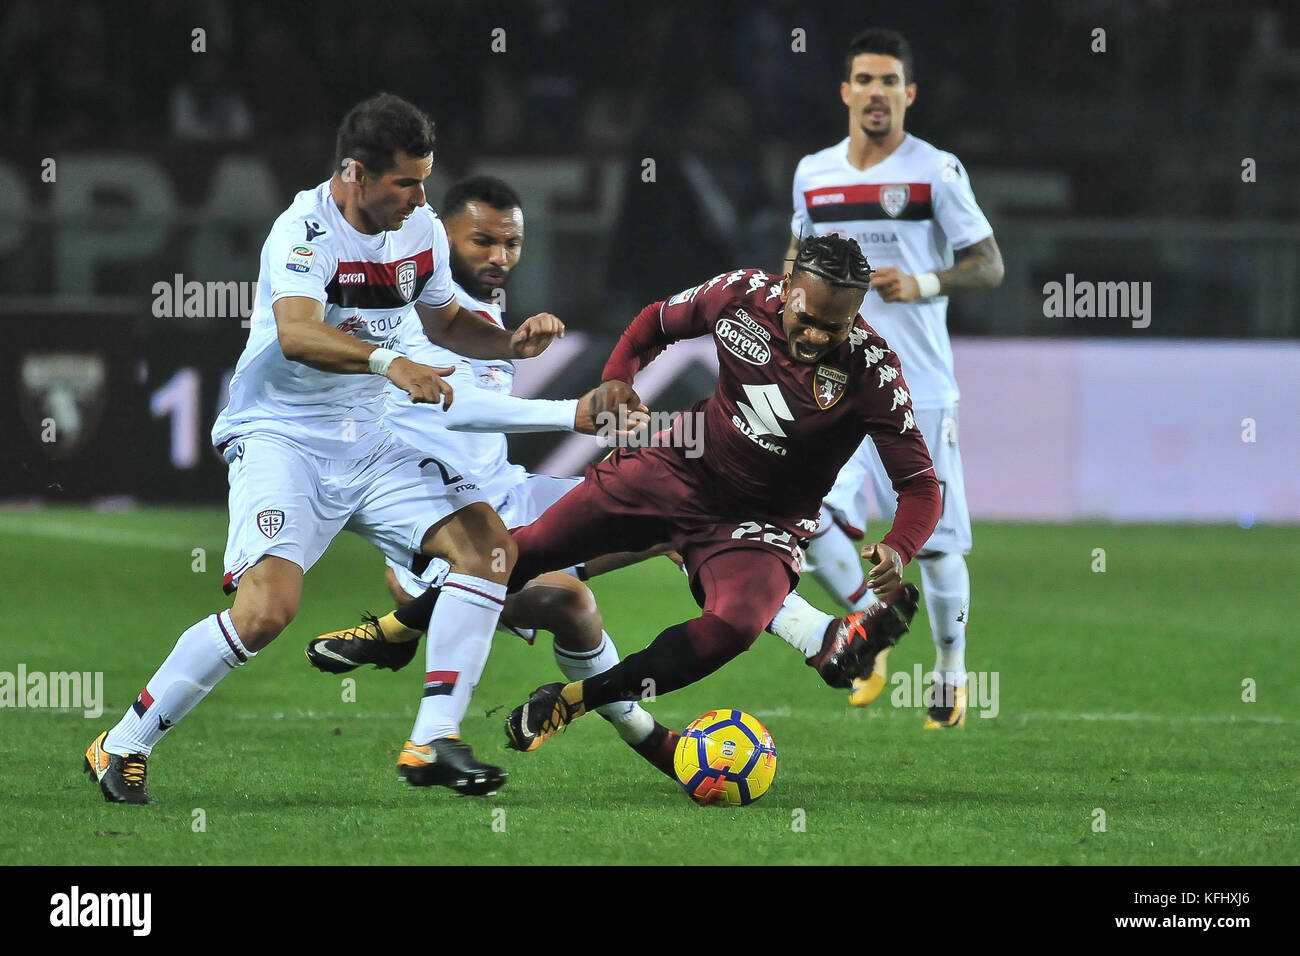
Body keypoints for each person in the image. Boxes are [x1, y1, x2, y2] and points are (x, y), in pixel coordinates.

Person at [83, 94, 563, 803]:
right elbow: (297, 333)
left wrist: (507, 340)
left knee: (489, 549)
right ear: (355, 173)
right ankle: (122, 743)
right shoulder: (304, 232)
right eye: (404, 181)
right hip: (283, 436)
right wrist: (388, 362)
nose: (420, 197)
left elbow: (448, 319)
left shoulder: (421, 228)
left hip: (371, 437)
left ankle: (431, 740)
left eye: (425, 179)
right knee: (266, 613)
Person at [501, 233, 942, 754]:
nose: (819, 335)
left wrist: (898, 545)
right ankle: (820, 637)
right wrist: (615, 379)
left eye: (836, 325)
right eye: (809, 317)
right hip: (668, 470)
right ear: (789, 286)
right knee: (531, 564)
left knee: (712, 618)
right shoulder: (743, 295)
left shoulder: (871, 370)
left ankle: (563, 703)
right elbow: (654, 322)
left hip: (758, 515)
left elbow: (919, 485)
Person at [304, 174, 684, 776]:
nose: (498, 257)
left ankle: (806, 630)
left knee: (674, 508)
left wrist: (510, 341)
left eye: (511, 244)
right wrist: (571, 414)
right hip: (441, 518)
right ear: (441, 235)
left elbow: (481, 398)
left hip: (508, 494)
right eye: (481, 241)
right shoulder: (406, 316)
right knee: (571, 602)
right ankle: (661, 746)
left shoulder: (476, 317)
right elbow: (456, 407)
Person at [784, 29, 1004, 727]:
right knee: (803, 516)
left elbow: (989, 263)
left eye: (890, 82)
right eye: (864, 80)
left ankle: (949, 673)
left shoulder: (936, 171)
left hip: (918, 387)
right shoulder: (814, 173)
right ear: (846, 91)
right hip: (831, 381)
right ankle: (864, 629)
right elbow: (796, 259)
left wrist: (926, 280)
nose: (876, 92)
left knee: (935, 543)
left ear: (908, 94)